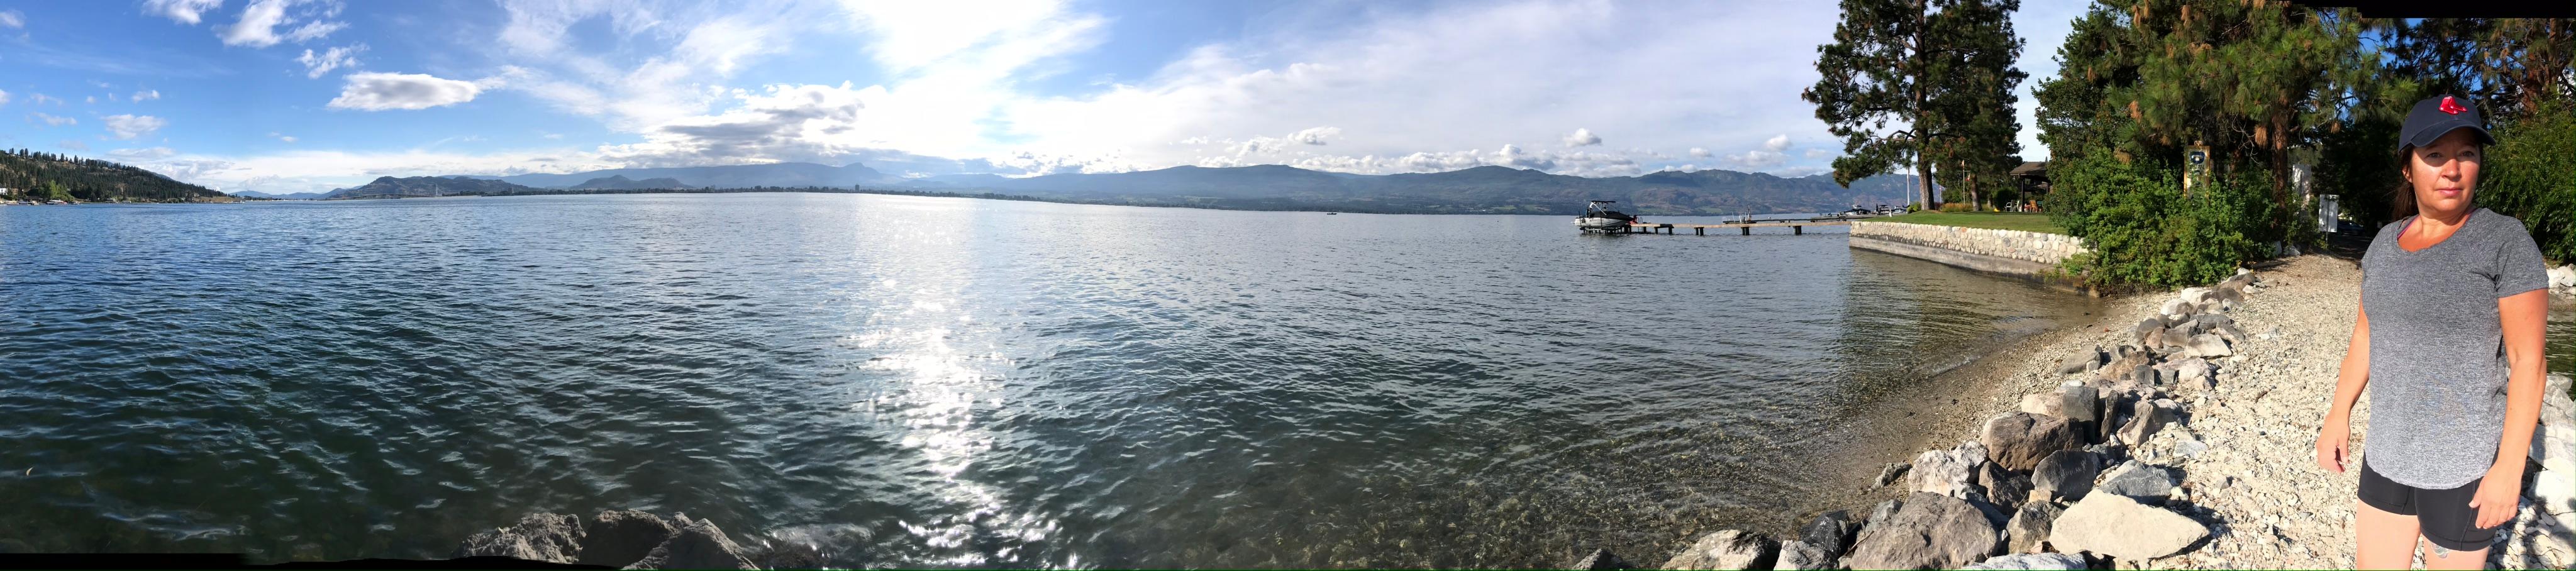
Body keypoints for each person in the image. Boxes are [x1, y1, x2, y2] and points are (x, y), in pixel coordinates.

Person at [2315, 94, 2550, 570]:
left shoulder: (2504, 242)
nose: (2452, 169)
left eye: (2467, 153)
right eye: (2435, 155)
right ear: (2408, 167)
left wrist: (2509, 468)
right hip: (2386, 454)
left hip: (2460, 469)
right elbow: (2365, 336)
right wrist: (2338, 413)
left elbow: (2530, 362)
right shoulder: (2384, 243)